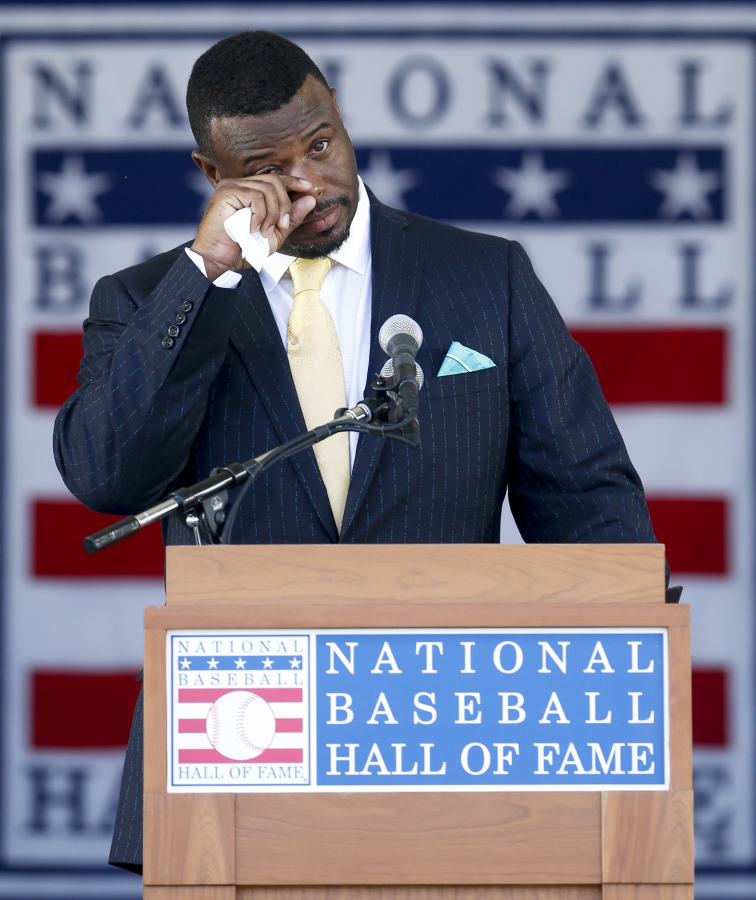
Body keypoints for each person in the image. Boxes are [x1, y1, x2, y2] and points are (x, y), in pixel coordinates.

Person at [53, 31, 656, 874]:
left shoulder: (487, 277)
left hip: (458, 739)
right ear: (213, 175)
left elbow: (591, 509)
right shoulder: (153, 301)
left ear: (337, 110)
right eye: (270, 168)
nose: (308, 181)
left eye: (322, 143)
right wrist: (208, 271)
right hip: (240, 740)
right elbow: (107, 474)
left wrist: (624, 679)